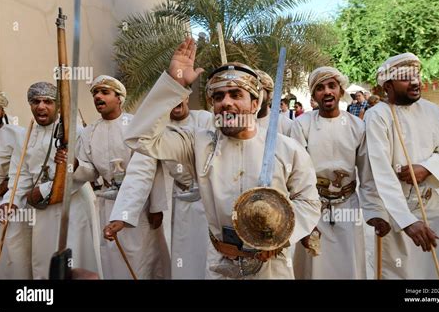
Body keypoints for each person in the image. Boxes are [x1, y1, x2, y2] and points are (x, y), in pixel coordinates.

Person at [124, 38, 322, 279]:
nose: (226, 102)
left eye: (236, 94)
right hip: (220, 265)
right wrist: (173, 84)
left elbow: (308, 202)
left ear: (255, 103)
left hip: (272, 268)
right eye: (218, 97)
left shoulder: (288, 149)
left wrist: (279, 237)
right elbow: (138, 139)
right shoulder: (197, 144)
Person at [364, 53, 439, 278]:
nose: (415, 82)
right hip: (396, 212)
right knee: (404, 276)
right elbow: (381, 175)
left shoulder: (432, 110)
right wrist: (407, 222)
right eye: (405, 78)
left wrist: (426, 168)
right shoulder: (377, 116)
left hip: (431, 205)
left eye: (416, 75)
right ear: (388, 85)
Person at [64, 75, 170, 279]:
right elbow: (91, 172)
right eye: (95, 93)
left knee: (141, 257)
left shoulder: (135, 126)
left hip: (139, 206)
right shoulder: (89, 132)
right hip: (108, 205)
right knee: (111, 257)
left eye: (104, 92)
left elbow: (152, 168)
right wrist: (77, 165)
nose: (98, 97)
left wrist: (156, 206)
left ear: (119, 98)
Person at [290, 67, 389, 279]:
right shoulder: (302, 124)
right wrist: (301, 219)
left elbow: (367, 174)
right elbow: (295, 177)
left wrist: (375, 212)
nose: (327, 92)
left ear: (340, 90)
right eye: (320, 88)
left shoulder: (357, 126)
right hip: (313, 207)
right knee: (314, 267)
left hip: (348, 205)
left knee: (349, 265)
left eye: (331, 86)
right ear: (313, 95)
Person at [103, 97, 213, 279]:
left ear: (186, 96)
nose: (175, 101)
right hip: (183, 205)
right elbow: (140, 172)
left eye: (180, 97)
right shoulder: (156, 129)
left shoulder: (206, 119)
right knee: (186, 261)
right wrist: (122, 215)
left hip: (212, 203)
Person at [0, 82, 100, 279]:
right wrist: (10, 202)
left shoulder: (76, 132)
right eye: (36, 101)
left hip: (73, 206)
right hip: (43, 212)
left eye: (48, 101)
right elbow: (21, 175)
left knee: (75, 260)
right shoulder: (25, 135)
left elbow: (91, 172)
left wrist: (70, 167)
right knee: (45, 263)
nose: (41, 106)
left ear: (58, 106)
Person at [0, 91, 31, 279]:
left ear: (2, 111)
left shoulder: (17, 134)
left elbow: (24, 167)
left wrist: (8, 184)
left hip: (9, 200)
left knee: (13, 253)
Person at [256, 70, 292, 136]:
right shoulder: (236, 123)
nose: (253, 94)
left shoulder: (286, 124)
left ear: (269, 95)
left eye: (258, 90)